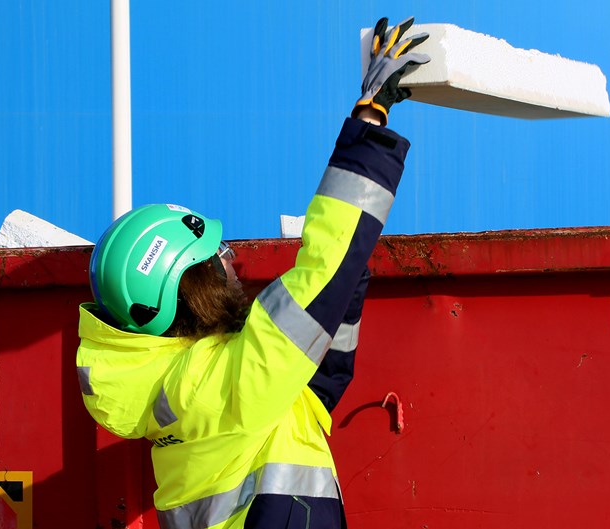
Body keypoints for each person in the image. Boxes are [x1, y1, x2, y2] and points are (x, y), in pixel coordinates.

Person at [76, 16, 429, 529]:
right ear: (189, 286)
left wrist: (349, 270)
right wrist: (370, 119)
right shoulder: (222, 385)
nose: (232, 264)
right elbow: (317, 282)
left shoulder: (200, 394)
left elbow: (317, 382)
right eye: (218, 257)